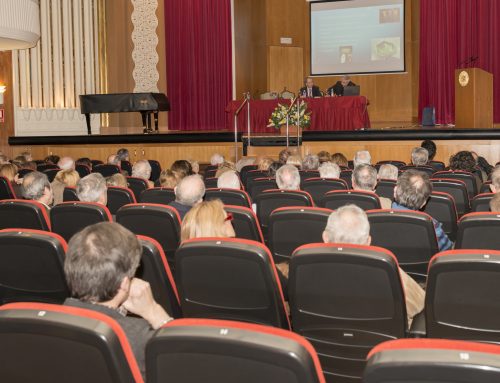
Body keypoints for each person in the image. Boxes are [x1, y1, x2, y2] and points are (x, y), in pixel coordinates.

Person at [64, 222, 173, 379]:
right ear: (124, 284)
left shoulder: (41, 323)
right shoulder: (140, 337)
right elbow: (184, 369)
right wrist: (154, 311)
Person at [322, 205, 425, 326]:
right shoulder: (389, 272)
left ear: (325, 237)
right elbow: (420, 304)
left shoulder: (300, 269)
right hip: (380, 341)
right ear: (368, 242)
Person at [392, 170, 453, 251]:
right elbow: (447, 250)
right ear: (423, 203)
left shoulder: (373, 217)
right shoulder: (432, 225)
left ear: (395, 191)